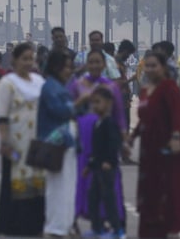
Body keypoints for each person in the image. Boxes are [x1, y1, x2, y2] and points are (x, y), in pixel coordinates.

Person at [129, 50, 180, 238]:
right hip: (148, 147)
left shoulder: (169, 87)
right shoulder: (145, 89)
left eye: (154, 66)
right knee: (149, 188)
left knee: (167, 188)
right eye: (147, 66)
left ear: (163, 67)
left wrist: (176, 137)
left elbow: (177, 114)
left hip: (166, 147)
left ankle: (171, 228)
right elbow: (144, 118)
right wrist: (132, 137)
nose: (150, 69)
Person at [69, 49, 127, 232]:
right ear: (87, 64)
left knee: (109, 180)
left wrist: (124, 140)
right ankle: (78, 219)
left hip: (105, 136)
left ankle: (111, 219)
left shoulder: (111, 87)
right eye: (91, 62)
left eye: (97, 62)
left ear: (104, 65)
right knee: (82, 179)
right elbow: (67, 108)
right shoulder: (77, 84)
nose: (94, 65)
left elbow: (119, 115)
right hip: (83, 137)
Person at [0, 42, 45, 236]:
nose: (28, 62)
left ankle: (35, 224)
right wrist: (4, 141)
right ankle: (13, 225)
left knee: (37, 182)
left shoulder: (39, 82)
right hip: (15, 140)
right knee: (14, 183)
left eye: (31, 58)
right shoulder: (8, 83)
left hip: (35, 140)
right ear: (14, 60)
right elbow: (2, 115)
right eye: (24, 59)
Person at [39, 49, 81, 238]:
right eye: (66, 68)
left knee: (66, 185)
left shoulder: (58, 86)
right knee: (58, 187)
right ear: (56, 67)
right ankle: (56, 225)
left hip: (64, 142)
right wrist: (79, 103)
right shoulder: (51, 87)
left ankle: (63, 223)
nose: (69, 71)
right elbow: (60, 111)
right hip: (55, 143)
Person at [85, 86, 125, 238]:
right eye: (93, 102)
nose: (95, 106)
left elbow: (113, 145)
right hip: (97, 168)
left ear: (109, 103)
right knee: (93, 197)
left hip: (107, 168)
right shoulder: (98, 123)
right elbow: (96, 150)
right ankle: (97, 228)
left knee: (109, 199)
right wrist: (90, 165)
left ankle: (116, 230)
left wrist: (109, 161)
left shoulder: (109, 123)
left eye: (98, 102)